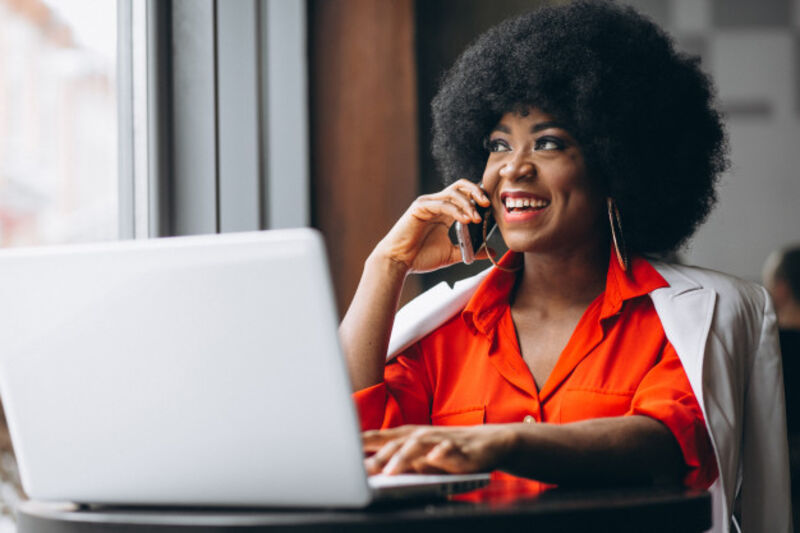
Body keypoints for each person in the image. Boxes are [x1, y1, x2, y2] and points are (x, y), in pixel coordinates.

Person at [339, 2, 790, 531]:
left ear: (615, 164)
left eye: (549, 142)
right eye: (498, 145)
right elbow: (346, 435)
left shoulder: (692, 316)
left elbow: (666, 441)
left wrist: (497, 443)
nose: (514, 168)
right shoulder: (445, 329)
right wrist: (386, 264)